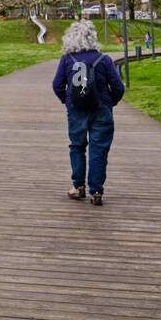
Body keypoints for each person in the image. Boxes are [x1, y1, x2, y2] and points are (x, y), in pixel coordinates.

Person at [51, 20, 125, 205]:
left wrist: (68, 102)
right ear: (93, 37)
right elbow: (118, 87)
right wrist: (109, 103)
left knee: (77, 146)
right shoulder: (104, 60)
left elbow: (57, 85)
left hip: (76, 111)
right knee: (98, 150)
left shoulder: (67, 59)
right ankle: (97, 191)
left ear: (70, 38)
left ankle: (78, 187)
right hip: (101, 110)